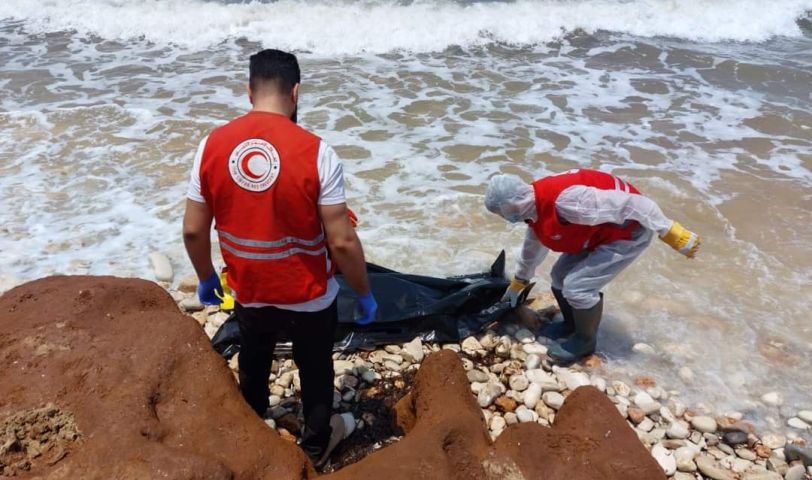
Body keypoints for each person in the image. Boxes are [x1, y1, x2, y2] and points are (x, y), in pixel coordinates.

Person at [182, 48, 377, 467]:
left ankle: (253, 426)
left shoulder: (210, 146)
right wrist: (363, 292)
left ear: (250, 91)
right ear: (297, 92)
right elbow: (341, 241)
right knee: (315, 366)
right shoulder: (318, 152)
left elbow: (194, 229)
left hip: (250, 288)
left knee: (254, 355)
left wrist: (205, 276)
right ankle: (315, 446)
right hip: (309, 294)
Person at [484, 169, 700, 364]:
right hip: (595, 232)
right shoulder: (533, 209)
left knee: (578, 287)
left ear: (514, 203)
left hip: (627, 232)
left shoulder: (567, 201)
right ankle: (571, 324)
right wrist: (520, 281)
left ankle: (585, 340)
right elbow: (533, 247)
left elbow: (635, 204)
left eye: (505, 212)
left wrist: (668, 230)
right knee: (559, 275)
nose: (507, 218)